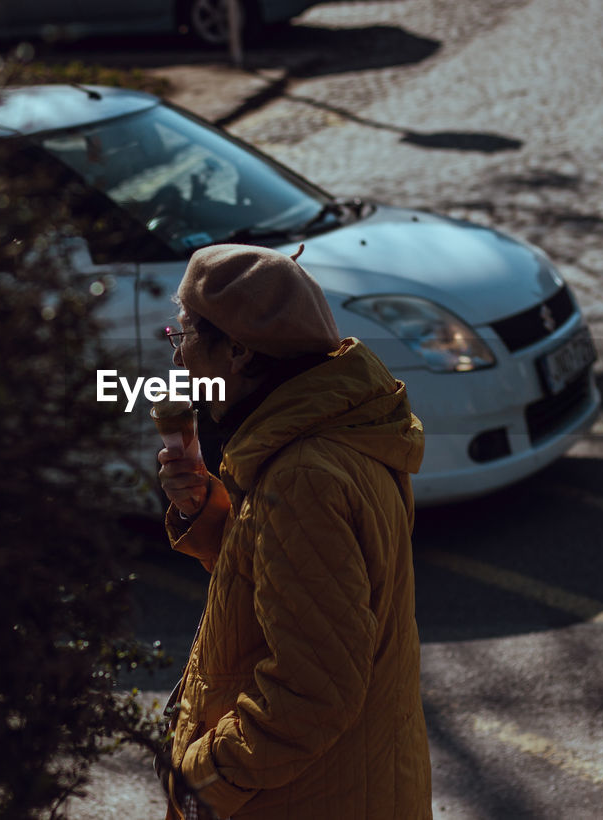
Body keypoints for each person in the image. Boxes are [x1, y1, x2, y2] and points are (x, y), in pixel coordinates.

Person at [156, 243, 432, 820]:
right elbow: (287, 578)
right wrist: (207, 509)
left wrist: (200, 778)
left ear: (237, 350)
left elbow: (313, 694)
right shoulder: (327, 433)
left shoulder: (304, 475)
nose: (178, 360)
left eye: (184, 336)